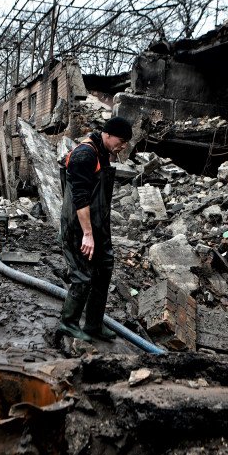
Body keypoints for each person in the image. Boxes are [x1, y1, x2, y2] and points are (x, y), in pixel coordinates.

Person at [58, 116, 132, 342]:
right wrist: (87, 235)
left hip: (99, 226)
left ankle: (93, 325)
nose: (123, 146)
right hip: (78, 227)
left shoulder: (103, 154)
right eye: (121, 140)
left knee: (104, 268)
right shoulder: (84, 154)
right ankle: (68, 324)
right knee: (82, 276)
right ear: (107, 135)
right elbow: (81, 200)